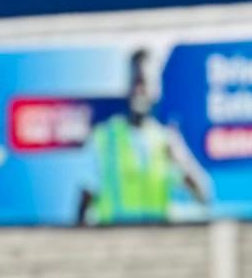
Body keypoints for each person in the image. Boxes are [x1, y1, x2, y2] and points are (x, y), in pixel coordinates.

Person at [77, 50, 213, 225]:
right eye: (136, 81)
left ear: (156, 89)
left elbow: (203, 196)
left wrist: (182, 160)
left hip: (156, 246)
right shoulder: (104, 138)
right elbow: (83, 205)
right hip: (114, 246)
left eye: (146, 82)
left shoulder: (165, 141)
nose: (140, 90)